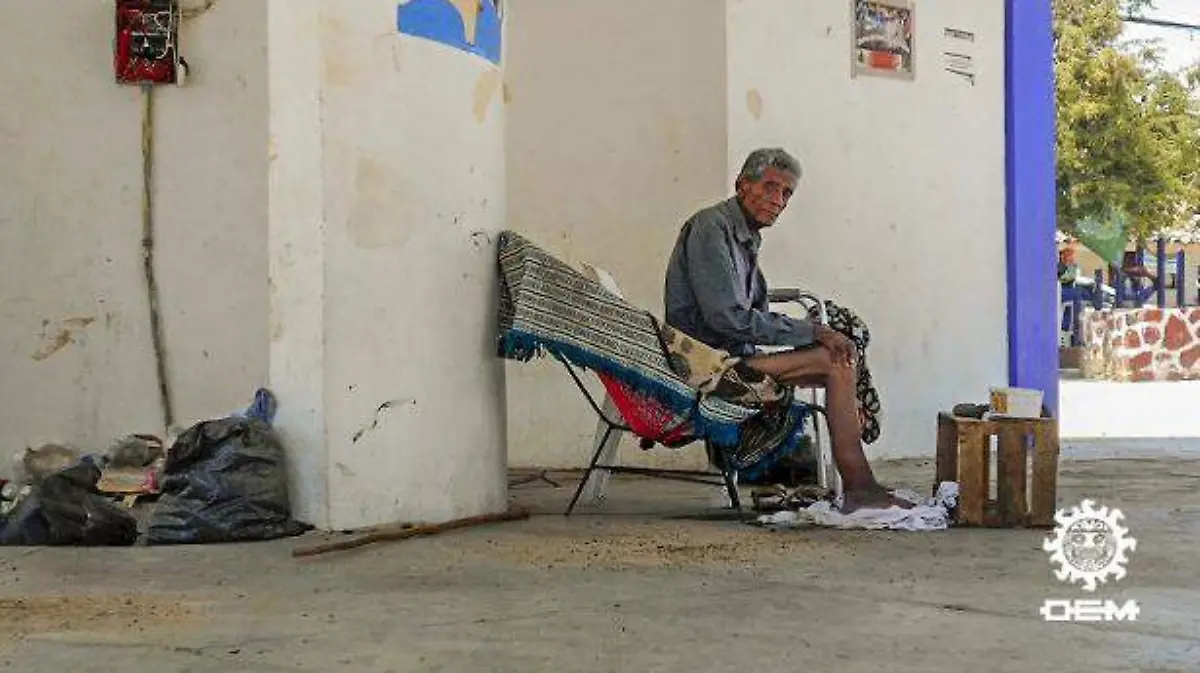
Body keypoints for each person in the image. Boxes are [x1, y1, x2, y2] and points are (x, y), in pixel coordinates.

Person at [664, 147, 909, 512]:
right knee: (832, 357)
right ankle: (859, 485)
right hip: (706, 366)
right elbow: (726, 318)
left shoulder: (745, 237)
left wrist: (817, 334)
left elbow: (749, 315)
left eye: (786, 194)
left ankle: (858, 484)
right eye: (770, 187)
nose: (777, 200)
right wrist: (814, 331)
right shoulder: (711, 227)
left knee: (840, 360)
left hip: (732, 360)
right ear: (742, 186)